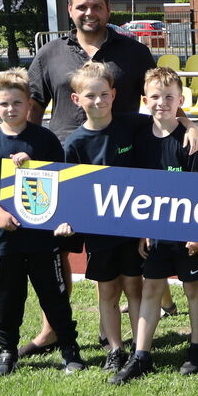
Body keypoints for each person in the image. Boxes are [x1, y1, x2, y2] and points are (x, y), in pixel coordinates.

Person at [22, 0, 189, 358]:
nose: (89, 12)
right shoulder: (50, 53)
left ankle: (125, 327)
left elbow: (161, 96)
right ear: (70, 10)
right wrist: (23, 154)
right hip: (67, 165)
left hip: (123, 168)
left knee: (124, 253)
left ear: (108, 9)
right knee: (58, 251)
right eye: (81, 6)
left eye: (96, 5)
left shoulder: (132, 51)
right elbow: (32, 104)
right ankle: (52, 328)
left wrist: (188, 124)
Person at [0, 68, 86, 378]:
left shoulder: (43, 139)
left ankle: (70, 350)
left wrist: (33, 168)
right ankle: (7, 352)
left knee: (54, 296)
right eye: (4, 104)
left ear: (29, 103)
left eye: (17, 103)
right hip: (5, 237)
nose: (11, 109)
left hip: (43, 237)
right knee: (8, 298)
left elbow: (61, 181)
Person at [109, 67, 198, 384]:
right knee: (151, 288)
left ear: (181, 100)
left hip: (188, 234)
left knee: (193, 289)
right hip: (155, 232)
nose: (161, 103)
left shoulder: (190, 141)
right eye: (155, 97)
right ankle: (141, 355)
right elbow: (137, 188)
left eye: (169, 97)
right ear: (145, 100)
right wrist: (142, 228)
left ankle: (197, 349)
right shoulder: (139, 136)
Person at [54, 61, 152, 374]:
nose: (98, 101)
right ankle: (115, 349)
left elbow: (170, 117)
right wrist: (67, 219)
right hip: (99, 232)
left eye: (104, 95)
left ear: (114, 95)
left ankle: (139, 350)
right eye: (91, 96)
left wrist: (190, 127)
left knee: (134, 288)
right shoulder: (75, 143)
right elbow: (69, 190)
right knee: (108, 291)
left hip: (132, 226)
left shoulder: (132, 126)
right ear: (77, 100)